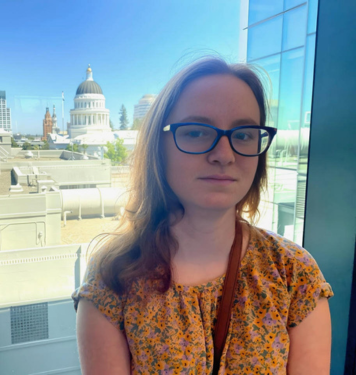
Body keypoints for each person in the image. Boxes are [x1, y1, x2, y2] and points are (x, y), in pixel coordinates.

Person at [71, 57, 333, 375]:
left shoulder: (294, 274)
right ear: (159, 145)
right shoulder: (113, 276)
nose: (224, 155)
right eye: (196, 132)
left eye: (244, 134)